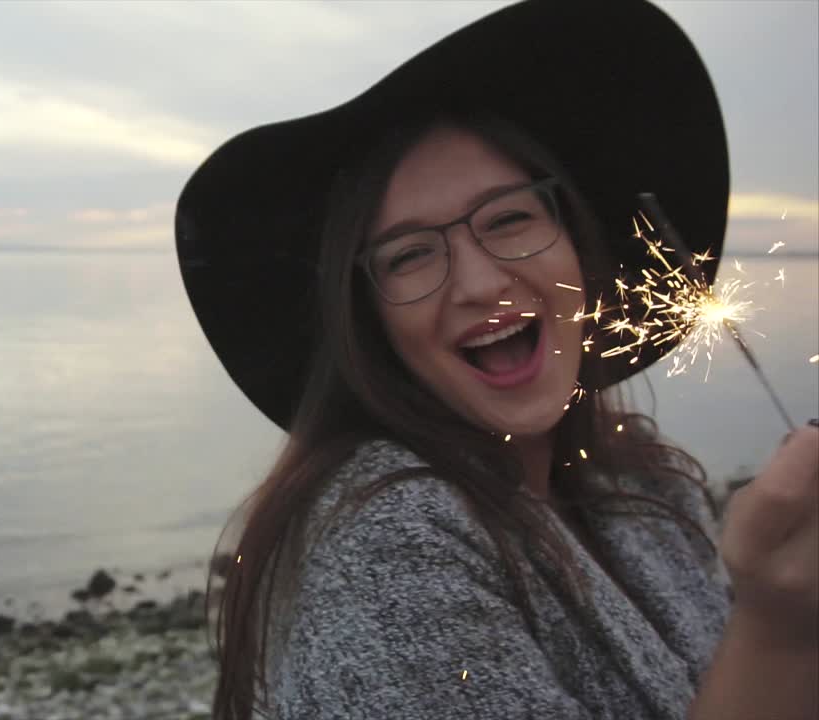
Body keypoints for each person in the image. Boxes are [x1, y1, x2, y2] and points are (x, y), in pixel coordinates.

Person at [174, 1, 819, 718]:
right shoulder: (385, 549)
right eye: (411, 255)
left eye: (510, 218)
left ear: (579, 244)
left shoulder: (648, 489)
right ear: (369, 321)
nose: (480, 283)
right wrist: (779, 625)